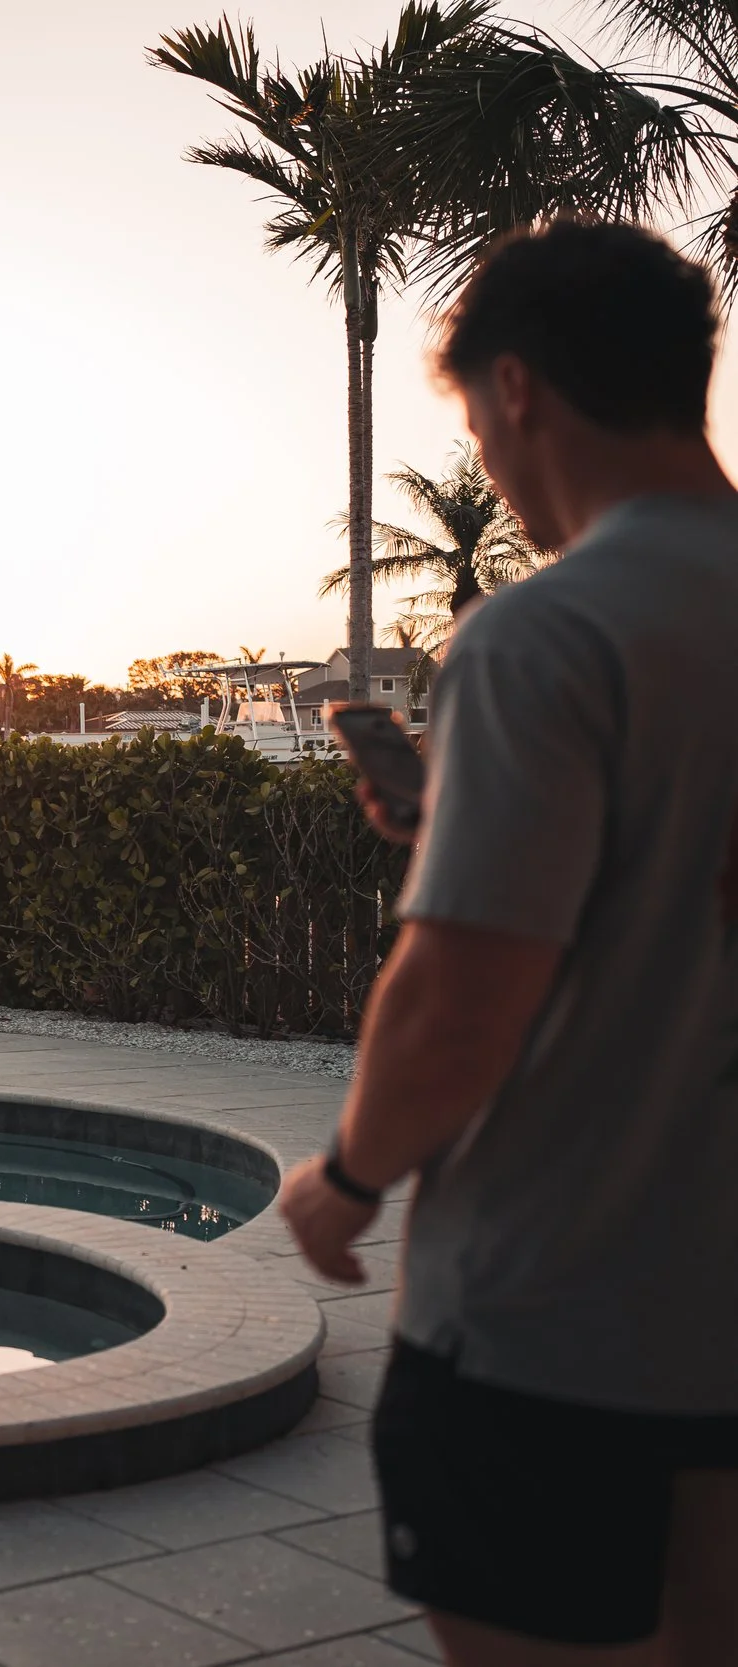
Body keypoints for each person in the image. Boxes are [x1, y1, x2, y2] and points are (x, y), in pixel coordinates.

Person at [279, 221, 737, 1665]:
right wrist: (455, 832)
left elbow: (462, 1001)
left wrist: (347, 1177)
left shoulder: (550, 633)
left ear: (521, 388)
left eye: (474, 422)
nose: (485, 459)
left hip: (560, 1322)